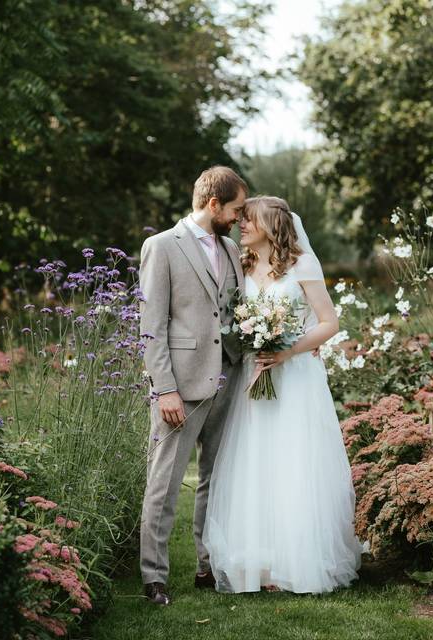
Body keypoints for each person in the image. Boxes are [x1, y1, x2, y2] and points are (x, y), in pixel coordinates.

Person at [201, 195, 366, 594]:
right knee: (256, 461)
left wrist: (288, 350)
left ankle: (297, 559)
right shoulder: (241, 265)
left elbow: (329, 322)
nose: (241, 225)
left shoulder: (303, 265)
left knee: (293, 460)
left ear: (272, 224)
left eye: (249, 219)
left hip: (295, 378)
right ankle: (260, 559)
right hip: (253, 375)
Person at [137, 166, 247, 606]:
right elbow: (151, 326)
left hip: (229, 377)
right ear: (214, 203)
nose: (239, 217)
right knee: (164, 484)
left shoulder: (232, 249)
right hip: (180, 386)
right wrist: (164, 388)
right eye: (236, 209)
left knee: (216, 480)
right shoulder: (162, 246)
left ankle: (207, 566)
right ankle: (154, 578)